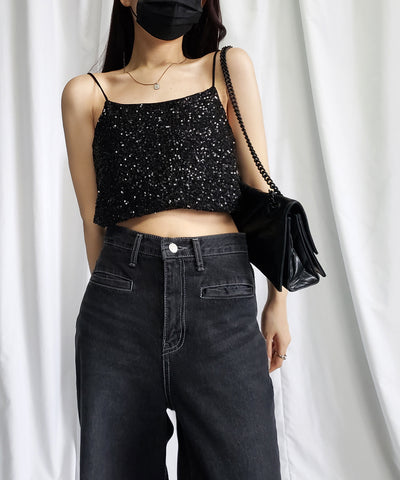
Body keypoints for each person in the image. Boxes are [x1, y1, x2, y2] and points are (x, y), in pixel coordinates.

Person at [61, 0, 291, 478]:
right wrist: (122, 291)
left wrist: (278, 300)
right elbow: (91, 220)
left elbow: (262, 192)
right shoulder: (86, 93)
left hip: (221, 301)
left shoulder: (226, 68)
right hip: (119, 309)